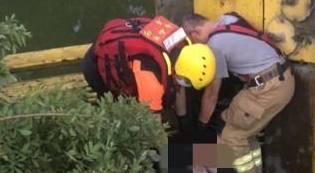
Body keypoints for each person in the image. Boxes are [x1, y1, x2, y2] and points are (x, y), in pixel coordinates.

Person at [182, 12, 295, 173]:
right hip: (283, 79)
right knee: (244, 132)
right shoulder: (228, 19)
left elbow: (211, 95)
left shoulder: (214, 47)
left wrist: (200, 127)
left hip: (267, 87)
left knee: (228, 132)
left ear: (194, 33)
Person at [83, 15, 216, 114]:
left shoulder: (181, 44)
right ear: (181, 70)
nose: (185, 84)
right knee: (116, 107)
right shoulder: (152, 80)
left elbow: (177, 88)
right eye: (187, 81)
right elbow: (153, 126)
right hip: (96, 66)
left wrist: (183, 120)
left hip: (121, 45)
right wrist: (168, 151)